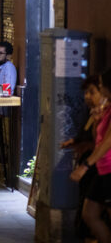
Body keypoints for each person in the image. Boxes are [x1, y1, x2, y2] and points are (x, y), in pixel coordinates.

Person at [62, 75, 106, 241]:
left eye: (92, 92)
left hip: (99, 167)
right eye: (86, 92)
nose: (87, 96)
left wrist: (86, 164)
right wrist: (75, 142)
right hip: (94, 166)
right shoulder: (93, 113)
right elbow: (90, 136)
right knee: (88, 213)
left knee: (90, 214)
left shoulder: (104, 113)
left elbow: (101, 142)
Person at [70, 69, 111, 242]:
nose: (100, 88)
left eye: (100, 85)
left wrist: (85, 165)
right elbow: (98, 139)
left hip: (109, 168)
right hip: (103, 169)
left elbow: (108, 141)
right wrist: (96, 121)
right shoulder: (105, 109)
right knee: (89, 214)